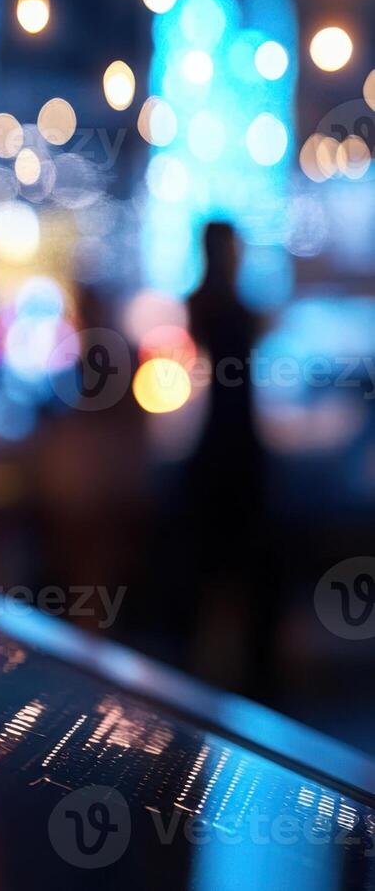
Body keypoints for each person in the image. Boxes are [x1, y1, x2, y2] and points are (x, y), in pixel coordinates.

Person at [182, 221, 275, 700]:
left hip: (216, 448)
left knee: (210, 568)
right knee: (246, 566)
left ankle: (206, 679)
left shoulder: (201, 306)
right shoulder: (236, 311)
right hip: (239, 449)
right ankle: (252, 682)